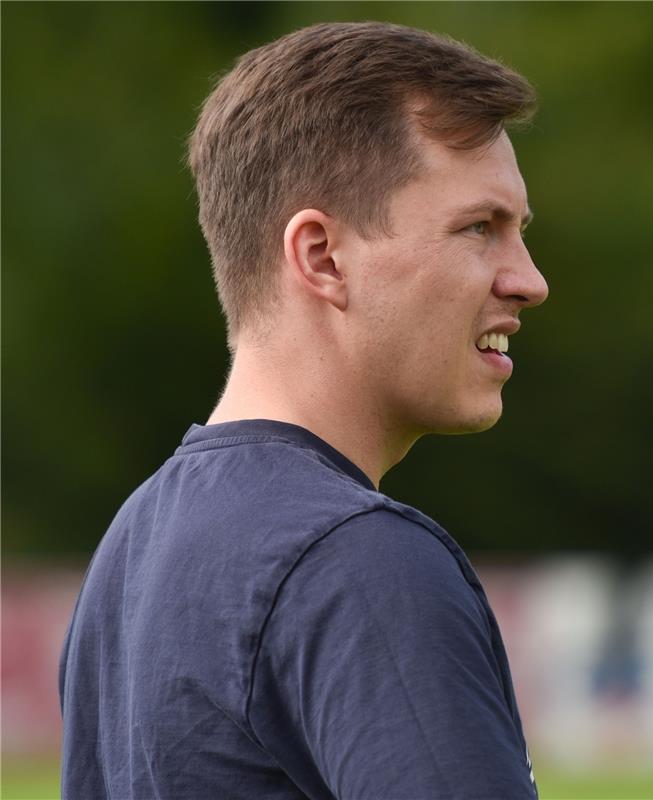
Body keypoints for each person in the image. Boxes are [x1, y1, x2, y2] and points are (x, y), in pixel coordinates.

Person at [59, 20, 548, 800]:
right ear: (322, 257)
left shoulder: (133, 551)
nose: (529, 280)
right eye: (479, 228)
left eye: (519, 232)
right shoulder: (357, 562)